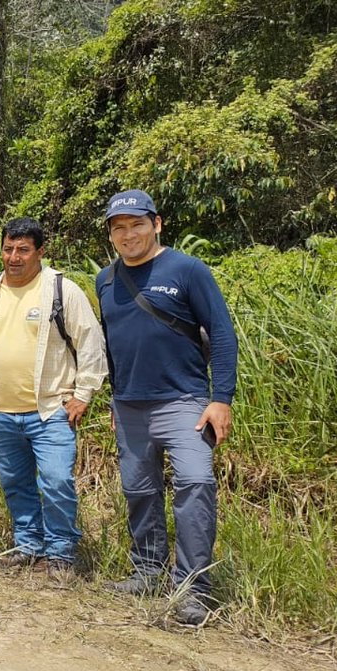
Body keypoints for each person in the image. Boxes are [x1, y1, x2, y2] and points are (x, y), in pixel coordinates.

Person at [96, 189, 237, 626]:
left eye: (137, 224)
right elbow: (112, 343)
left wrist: (221, 399)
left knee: (195, 484)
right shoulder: (105, 279)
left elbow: (221, 332)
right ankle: (147, 570)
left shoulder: (187, 269)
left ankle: (195, 587)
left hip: (185, 401)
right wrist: (115, 399)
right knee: (139, 491)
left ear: (156, 224)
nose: (128, 234)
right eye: (119, 227)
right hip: (129, 404)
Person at [0, 218, 107, 578]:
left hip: (50, 410)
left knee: (56, 481)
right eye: (8, 248)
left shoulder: (61, 291)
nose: (14, 256)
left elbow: (91, 342)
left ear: (40, 251)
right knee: (15, 483)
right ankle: (28, 545)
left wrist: (83, 394)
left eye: (23, 249)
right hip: (1, 411)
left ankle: (61, 554)